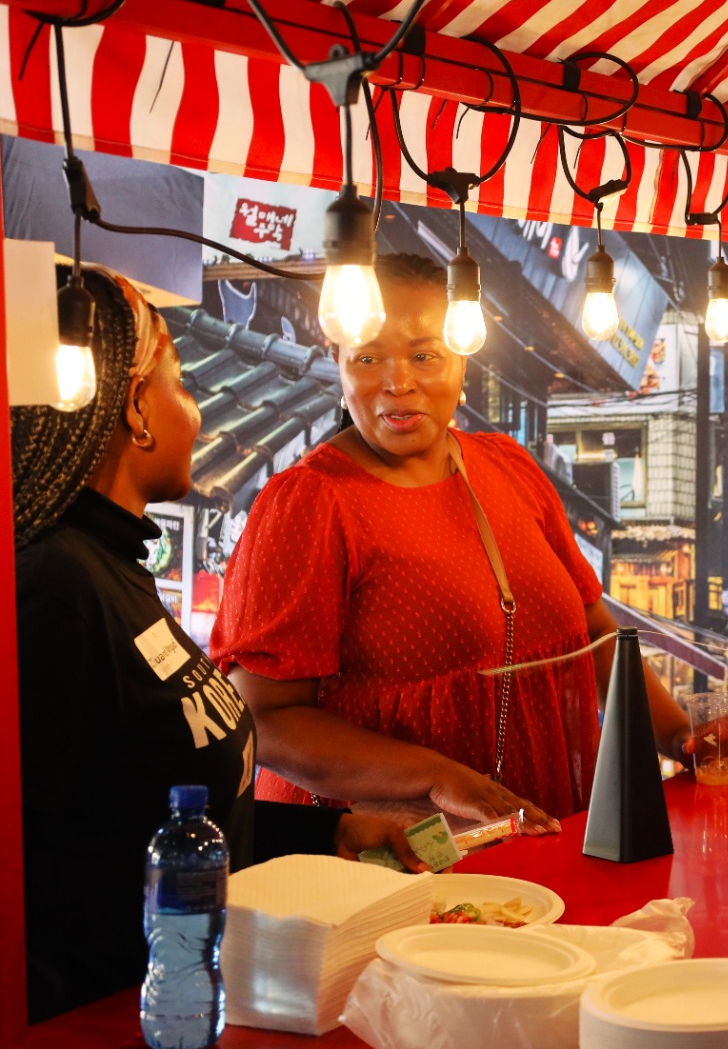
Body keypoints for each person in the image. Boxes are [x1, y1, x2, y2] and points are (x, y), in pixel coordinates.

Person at [13, 267, 426, 1024]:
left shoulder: (119, 576)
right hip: (114, 1019)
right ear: (136, 408)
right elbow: (29, 865)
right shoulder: (58, 588)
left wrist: (327, 829)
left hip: (196, 1009)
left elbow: (154, 817)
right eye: (178, 381)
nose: (195, 413)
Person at [210, 254, 691, 829]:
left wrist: (684, 737)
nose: (398, 382)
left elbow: (595, 639)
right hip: (397, 850)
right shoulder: (309, 503)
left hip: (545, 824)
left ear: (463, 358)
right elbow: (262, 718)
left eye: (424, 355)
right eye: (368, 357)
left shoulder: (509, 467)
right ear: (337, 361)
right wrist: (436, 776)